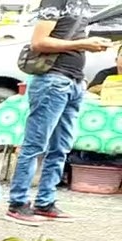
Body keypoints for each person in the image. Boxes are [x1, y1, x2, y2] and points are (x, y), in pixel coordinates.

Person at [7, 0, 112, 224]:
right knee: (35, 144)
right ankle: (18, 203)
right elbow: (39, 42)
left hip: (74, 81)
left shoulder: (83, 3)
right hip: (52, 79)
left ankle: (46, 202)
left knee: (61, 147)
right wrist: (84, 43)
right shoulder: (56, 1)